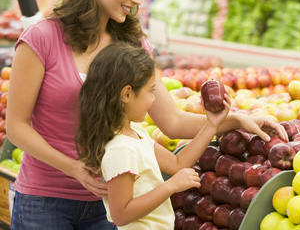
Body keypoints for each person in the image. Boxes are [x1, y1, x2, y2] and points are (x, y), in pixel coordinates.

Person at [6, 0, 287, 229]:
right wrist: (73, 168)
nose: (137, 0)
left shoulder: (134, 46)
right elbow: (17, 126)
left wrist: (237, 120)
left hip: (111, 203)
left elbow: (173, 122)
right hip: (44, 200)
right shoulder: (42, 37)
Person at [76, 43, 230, 229]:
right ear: (126, 94)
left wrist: (211, 125)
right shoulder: (121, 150)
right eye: (150, 91)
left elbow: (177, 163)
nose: (154, 99)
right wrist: (170, 186)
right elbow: (121, 215)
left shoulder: (136, 133)